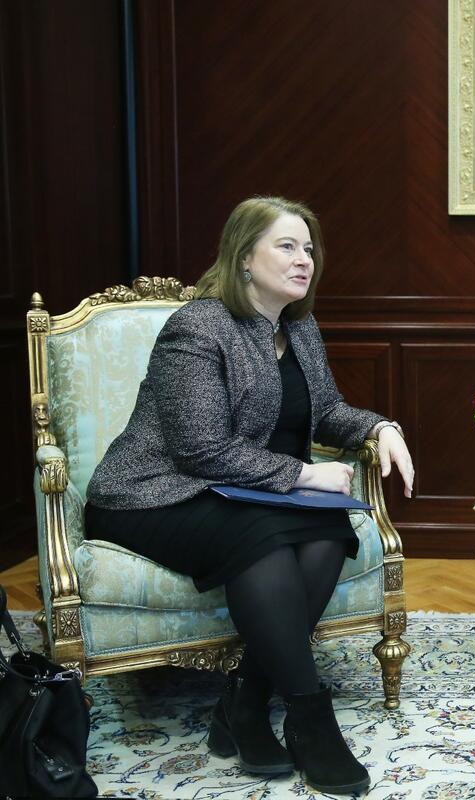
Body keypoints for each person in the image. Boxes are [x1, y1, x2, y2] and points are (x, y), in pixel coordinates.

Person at [85, 196, 415, 796]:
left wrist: (379, 427)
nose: (304, 259)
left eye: (308, 248)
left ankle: (245, 701)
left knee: (328, 533)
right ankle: (311, 719)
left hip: (239, 491)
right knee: (263, 543)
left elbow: (328, 411)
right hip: (154, 493)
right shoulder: (198, 327)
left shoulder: (299, 326)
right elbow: (200, 448)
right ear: (243, 257)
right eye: (286, 246)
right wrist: (304, 474)